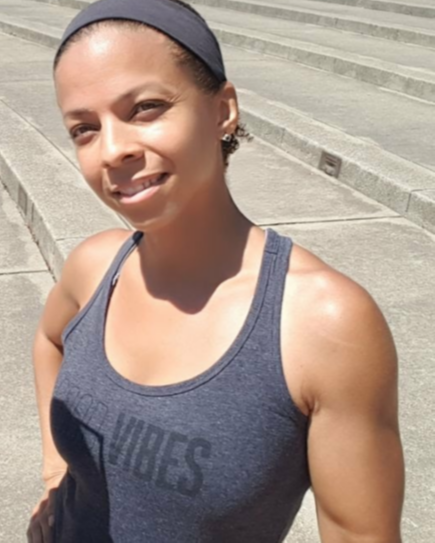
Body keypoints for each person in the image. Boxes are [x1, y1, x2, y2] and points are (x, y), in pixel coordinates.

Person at [27, 0, 405, 541]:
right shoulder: (94, 267)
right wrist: (55, 469)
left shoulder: (321, 323)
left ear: (223, 109)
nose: (112, 150)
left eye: (146, 108)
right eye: (84, 129)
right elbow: (49, 341)